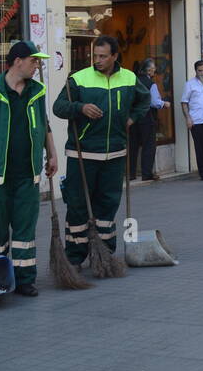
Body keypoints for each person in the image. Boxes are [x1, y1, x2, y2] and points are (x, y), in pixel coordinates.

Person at [0, 41, 57, 297]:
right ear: (18, 61)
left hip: (28, 173)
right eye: (33, 60)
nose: (37, 65)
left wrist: (52, 154)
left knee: (25, 230)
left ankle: (25, 279)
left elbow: (44, 123)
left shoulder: (37, 91)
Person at [53, 36, 150, 266]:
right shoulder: (78, 79)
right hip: (82, 154)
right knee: (77, 206)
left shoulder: (129, 78)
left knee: (107, 205)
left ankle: (103, 254)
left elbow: (144, 100)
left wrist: (132, 118)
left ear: (115, 56)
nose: (97, 60)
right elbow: (59, 107)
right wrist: (81, 107)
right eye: (95, 56)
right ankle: (75, 258)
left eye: (103, 56)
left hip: (116, 153)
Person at [129, 59, 169, 182]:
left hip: (133, 118)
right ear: (149, 70)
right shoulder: (151, 84)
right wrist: (164, 104)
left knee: (132, 146)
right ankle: (146, 173)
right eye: (153, 69)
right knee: (149, 146)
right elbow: (154, 102)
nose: (155, 71)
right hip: (147, 117)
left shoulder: (132, 81)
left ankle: (131, 174)